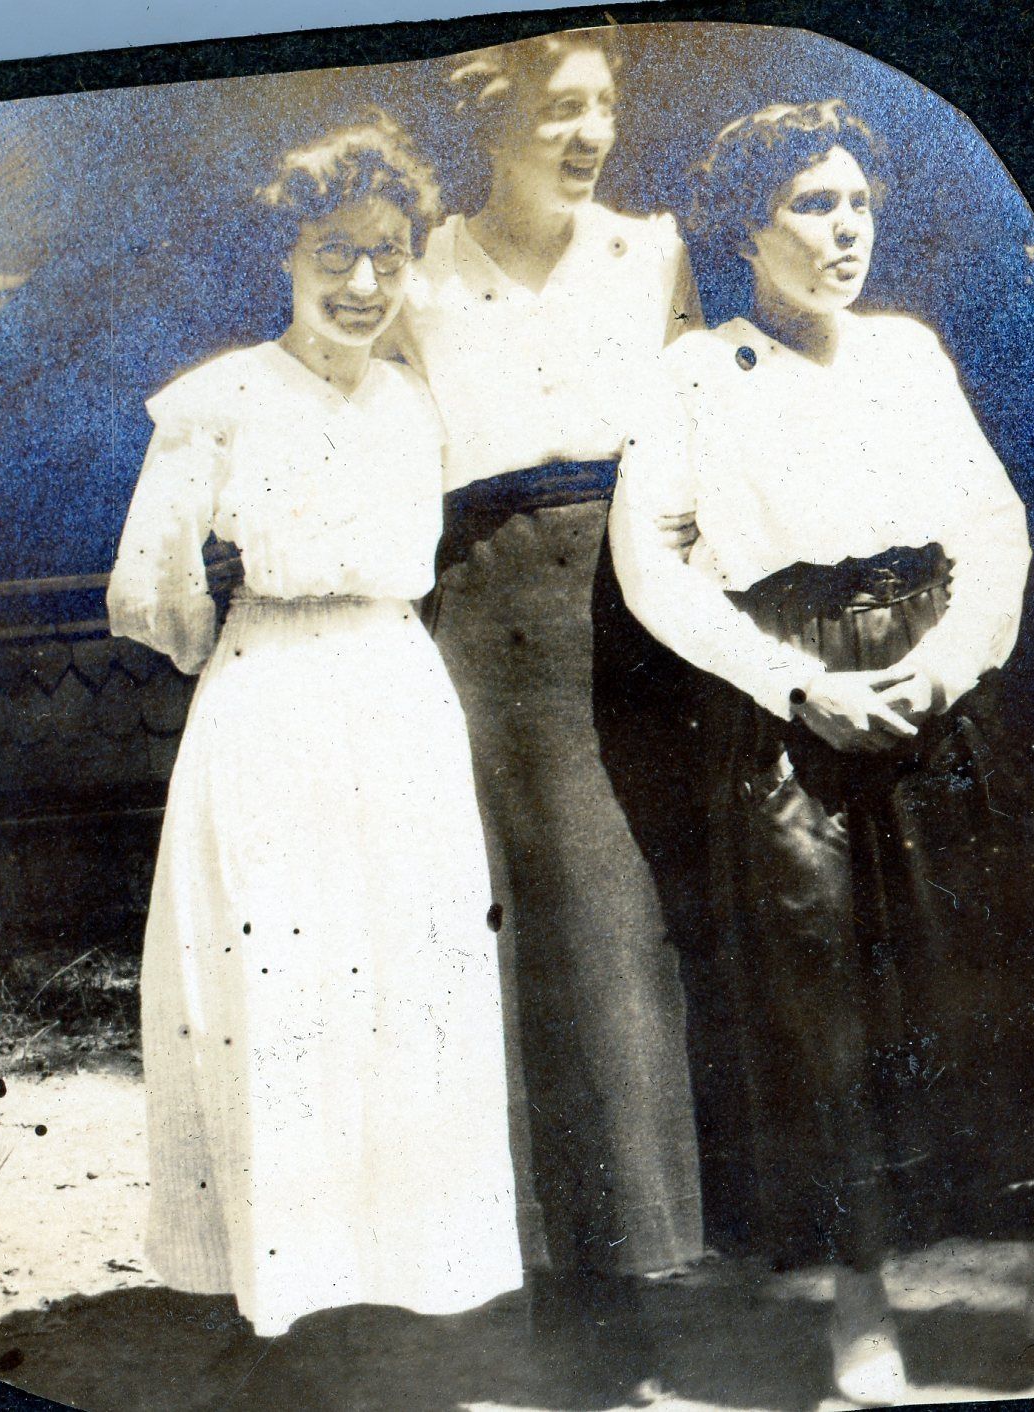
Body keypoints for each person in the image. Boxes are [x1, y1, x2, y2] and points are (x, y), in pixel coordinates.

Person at [610, 99, 1034, 1403]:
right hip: (794, 709)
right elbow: (650, 564)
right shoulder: (694, 374)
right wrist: (793, 683)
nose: (845, 231)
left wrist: (949, 662)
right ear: (746, 229)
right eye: (812, 206)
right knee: (824, 1007)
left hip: (939, 691)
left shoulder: (907, 352)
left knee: (1024, 973)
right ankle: (861, 1317)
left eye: (858, 205)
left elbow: (993, 526)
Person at [107, 112, 522, 1339]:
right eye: (335, 251)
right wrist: (227, 644)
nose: (362, 282)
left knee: (403, 966)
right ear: (286, 256)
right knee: (280, 975)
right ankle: (288, 1284)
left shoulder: (414, 403)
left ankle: (402, 1273)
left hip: (395, 692)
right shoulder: (219, 400)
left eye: (388, 253)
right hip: (273, 692)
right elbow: (150, 587)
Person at [386, 25, 706, 1384]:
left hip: (635, 611)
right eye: (562, 108)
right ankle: (545, 1277)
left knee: (627, 928)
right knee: (521, 933)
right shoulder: (419, 280)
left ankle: (644, 1266)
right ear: (492, 119)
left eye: (604, 107)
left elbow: (700, 436)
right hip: (486, 619)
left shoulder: (652, 254)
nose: (591, 135)